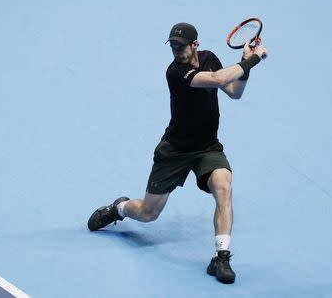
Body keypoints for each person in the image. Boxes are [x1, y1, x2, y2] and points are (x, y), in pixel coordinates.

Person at [87, 22, 267, 284]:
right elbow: (217, 80)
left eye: (180, 46)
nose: (176, 50)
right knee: (149, 213)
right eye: (172, 45)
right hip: (175, 151)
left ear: (194, 44)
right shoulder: (176, 72)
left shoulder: (209, 59)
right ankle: (120, 208)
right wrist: (252, 61)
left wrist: (243, 65)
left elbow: (234, 91)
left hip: (207, 146)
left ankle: (221, 256)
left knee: (224, 187)